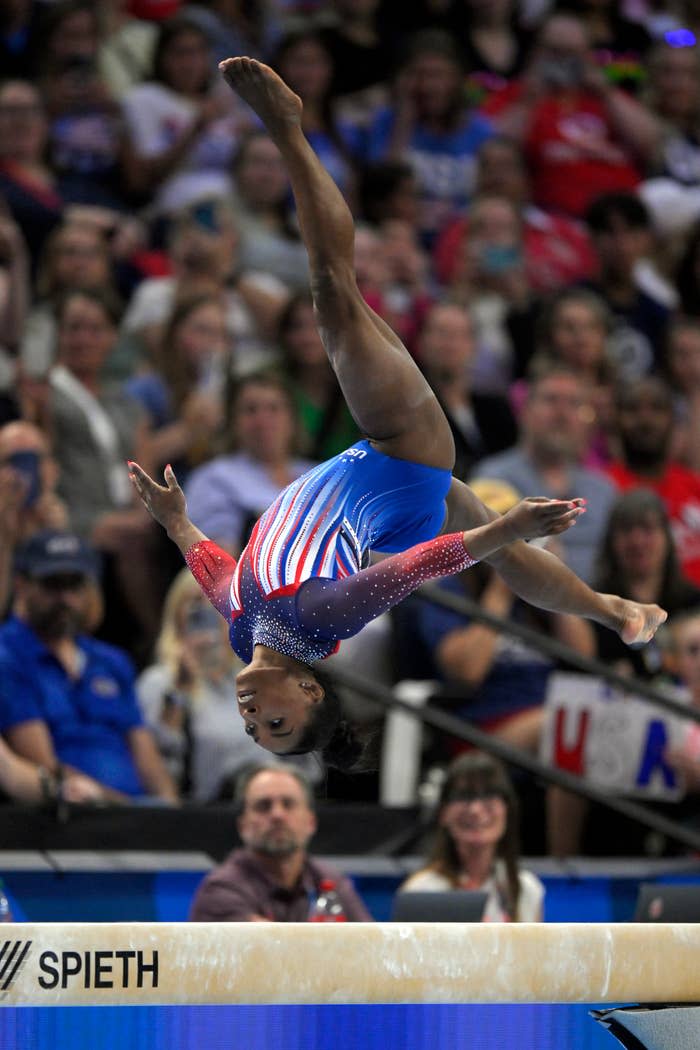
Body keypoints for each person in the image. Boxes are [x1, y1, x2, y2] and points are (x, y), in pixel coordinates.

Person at [128, 57, 666, 770]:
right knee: (331, 294)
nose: (255, 720)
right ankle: (291, 128)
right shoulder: (319, 621)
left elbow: (218, 573)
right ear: (310, 693)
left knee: (508, 558)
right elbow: (416, 568)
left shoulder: (243, 630)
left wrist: (172, 519)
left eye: (255, 732)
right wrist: (514, 521)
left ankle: (614, 610)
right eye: (278, 726)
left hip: (394, 486)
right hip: (403, 455)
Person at [0, 530, 178, 802]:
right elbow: (42, 765)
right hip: (69, 814)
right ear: (22, 585)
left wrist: (169, 810)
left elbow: (145, 754)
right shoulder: (9, 655)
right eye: (53, 585)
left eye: (75, 585)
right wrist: (128, 810)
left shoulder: (111, 660)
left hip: (139, 815)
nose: (66, 599)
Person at [189, 764, 372, 921]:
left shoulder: (329, 882)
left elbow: (371, 948)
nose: (277, 815)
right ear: (242, 825)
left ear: (310, 822)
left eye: (288, 804)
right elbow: (273, 951)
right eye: (263, 806)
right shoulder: (221, 890)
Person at [397, 751, 544, 922]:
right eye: (464, 796)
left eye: (489, 795)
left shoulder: (526, 889)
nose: (475, 809)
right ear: (443, 813)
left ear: (507, 810)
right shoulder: (422, 891)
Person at [604, 376, 700, 587]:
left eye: (657, 408)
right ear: (615, 421)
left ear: (673, 420)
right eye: (633, 409)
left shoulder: (695, 488)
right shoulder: (602, 491)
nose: (645, 420)